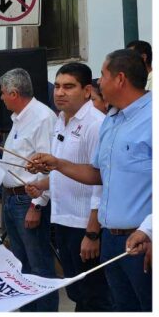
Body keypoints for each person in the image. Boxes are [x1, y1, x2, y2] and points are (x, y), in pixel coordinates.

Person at [28, 49, 152, 311]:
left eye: (102, 76)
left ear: (120, 79)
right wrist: (57, 164)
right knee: (116, 306)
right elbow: (98, 175)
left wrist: (152, 231)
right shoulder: (113, 120)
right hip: (113, 239)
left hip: (142, 240)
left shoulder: (151, 119)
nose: (99, 83)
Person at [25, 63, 112, 311]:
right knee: (76, 292)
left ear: (87, 91)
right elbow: (64, 170)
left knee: (95, 295)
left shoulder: (96, 124)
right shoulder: (61, 120)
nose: (60, 92)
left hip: (85, 225)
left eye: (69, 86)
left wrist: (92, 233)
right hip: (62, 220)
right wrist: (42, 186)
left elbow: (101, 181)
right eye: (58, 86)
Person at [0, 68, 58, 312]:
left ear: (13, 93)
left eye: (3, 93)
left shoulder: (42, 118)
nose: (1, 98)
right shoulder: (19, 118)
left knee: (39, 266)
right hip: (12, 198)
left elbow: (48, 166)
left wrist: (37, 205)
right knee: (21, 265)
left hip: (28, 199)